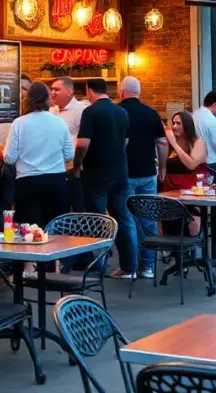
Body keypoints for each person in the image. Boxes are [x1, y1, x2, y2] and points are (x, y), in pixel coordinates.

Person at [3, 83, 73, 276]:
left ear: (28, 99)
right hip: (56, 179)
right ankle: (58, 267)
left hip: (28, 180)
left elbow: (9, 157)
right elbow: (69, 153)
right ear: (47, 99)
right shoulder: (58, 122)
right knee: (57, 225)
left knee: (29, 225)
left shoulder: (20, 123)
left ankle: (30, 269)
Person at [73, 78, 137, 280]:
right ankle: (129, 267)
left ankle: (98, 266)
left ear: (89, 90)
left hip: (96, 172)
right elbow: (126, 140)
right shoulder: (121, 112)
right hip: (120, 172)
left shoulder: (90, 112)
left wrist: (76, 165)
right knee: (123, 218)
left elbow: (82, 143)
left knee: (96, 219)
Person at [117, 76, 167, 280]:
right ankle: (147, 267)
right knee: (149, 220)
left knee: (127, 221)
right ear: (139, 92)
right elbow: (162, 142)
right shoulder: (151, 113)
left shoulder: (117, 112)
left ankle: (129, 268)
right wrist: (162, 166)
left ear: (121, 91)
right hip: (148, 173)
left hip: (124, 173)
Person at [162, 111, 211, 236]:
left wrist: (175, 145)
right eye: (173, 123)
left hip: (191, 190)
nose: (174, 126)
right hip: (171, 190)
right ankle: (172, 250)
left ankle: (193, 245)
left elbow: (191, 164)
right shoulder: (171, 144)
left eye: (178, 123)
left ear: (187, 125)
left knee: (191, 215)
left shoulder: (198, 142)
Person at [49, 76, 88, 213]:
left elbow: (84, 140)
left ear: (70, 91)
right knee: (59, 208)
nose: (53, 92)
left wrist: (76, 164)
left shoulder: (81, 111)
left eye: (57, 89)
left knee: (78, 208)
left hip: (74, 168)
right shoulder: (52, 112)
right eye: (52, 89)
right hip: (55, 167)